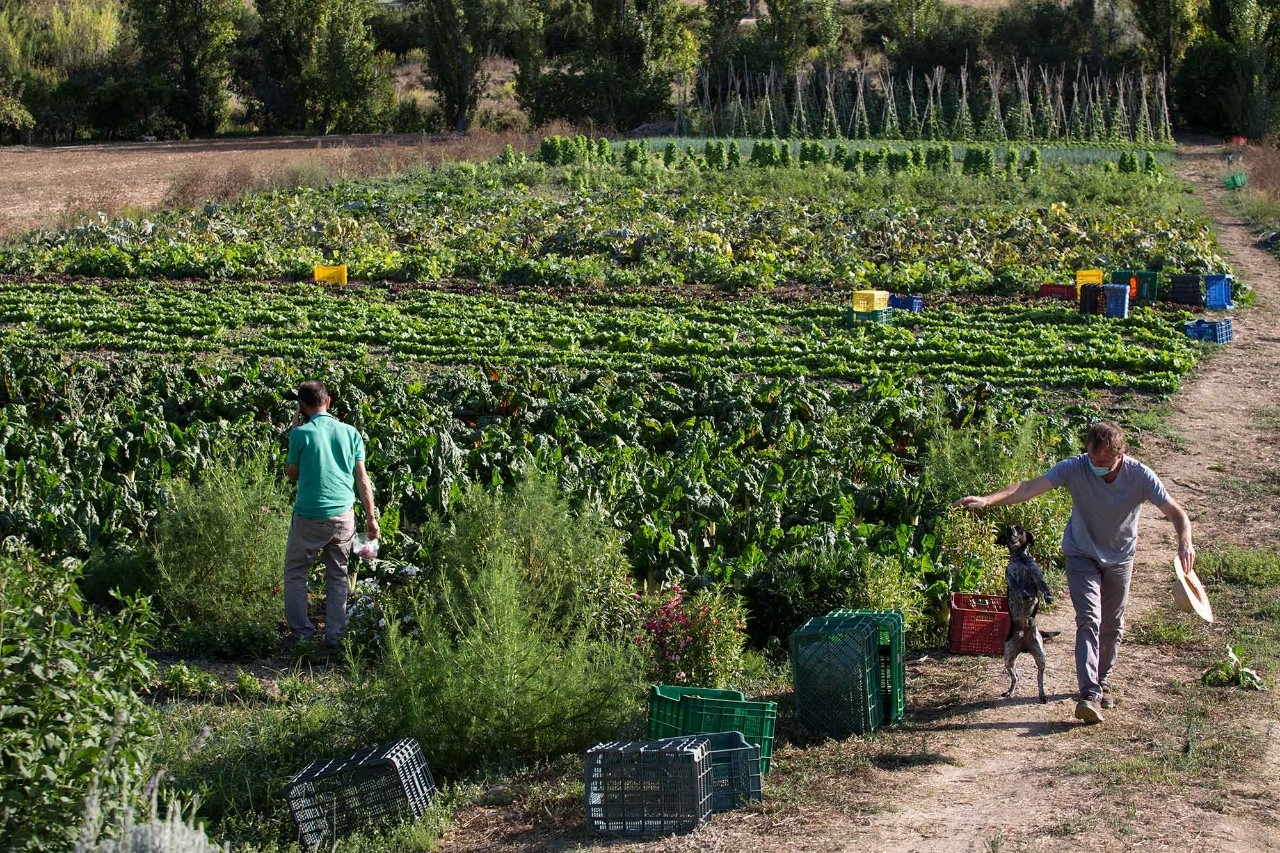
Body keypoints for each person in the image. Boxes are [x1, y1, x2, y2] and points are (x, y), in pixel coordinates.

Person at [954, 421, 1195, 725]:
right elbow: (1029, 487)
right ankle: (1089, 694)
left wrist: (1185, 542)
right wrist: (988, 499)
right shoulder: (1075, 467)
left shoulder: (1140, 476)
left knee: (1112, 624)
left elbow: (1176, 513)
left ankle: (1103, 681)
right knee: (1089, 619)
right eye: (1092, 459)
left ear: (1121, 454)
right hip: (1081, 554)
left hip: (1120, 558)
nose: (1095, 466)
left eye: (1103, 462)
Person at [283, 380, 379, 650]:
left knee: (296, 573)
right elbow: (362, 479)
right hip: (343, 516)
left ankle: (301, 636)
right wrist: (371, 517)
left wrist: (294, 430)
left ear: (302, 407)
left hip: (309, 516)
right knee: (338, 574)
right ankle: (335, 638)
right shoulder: (350, 432)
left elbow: (292, 474)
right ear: (328, 401)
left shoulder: (300, 434)